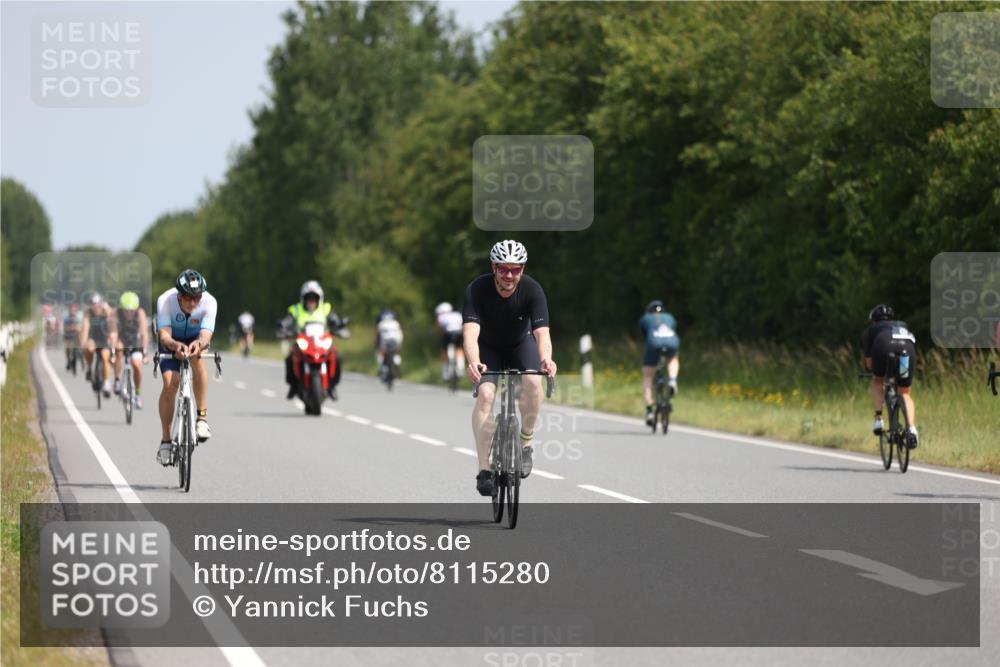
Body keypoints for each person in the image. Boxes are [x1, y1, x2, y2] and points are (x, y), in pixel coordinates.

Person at [463, 240, 556, 495]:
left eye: (515, 269)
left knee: (534, 382)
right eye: (504, 269)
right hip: (488, 348)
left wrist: (546, 359)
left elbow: (542, 334)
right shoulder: (477, 289)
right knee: (485, 395)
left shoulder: (532, 289)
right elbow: (471, 333)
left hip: (519, 344)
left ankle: (526, 442)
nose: (509, 275)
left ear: (522, 269)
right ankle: (484, 470)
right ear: (493, 267)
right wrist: (474, 361)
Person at [156, 269, 217, 465]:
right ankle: (166, 440)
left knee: (199, 360)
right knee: (170, 383)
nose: (192, 303)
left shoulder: (209, 302)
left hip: (195, 338)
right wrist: (175, 346)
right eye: (188, 298)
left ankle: (201, 418)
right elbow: (164, 335)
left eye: (196, 298)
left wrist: (197, 345)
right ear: (179, 295)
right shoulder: (166, 300)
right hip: (171, 339)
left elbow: (206, 336)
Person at [862, 304, 918, 448]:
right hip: (906, 348)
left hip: (883, 346)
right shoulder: (902, 325)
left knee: (878, 380)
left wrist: (878, 372)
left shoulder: (871, 330)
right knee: (905, 392)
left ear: (873, 320)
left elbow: (869, 364)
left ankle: (879, 418)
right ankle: (911, 429)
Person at [279, 280, 343, 400]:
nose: (311, 301)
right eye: (308, 298)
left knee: (336, 356)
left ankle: (332, 386)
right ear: (303, 298)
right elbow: (288, 320)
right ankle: (293, 386)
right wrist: (284, 326)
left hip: (321, 341)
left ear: (320, 299)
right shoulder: (296, 309)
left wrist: (338, 324)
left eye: (314, 298)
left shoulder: (326, 308)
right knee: (290, 358)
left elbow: (334, 319)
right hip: (303, 341)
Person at [640, 300, 681, 426]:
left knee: (648, 377)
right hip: (671, 341)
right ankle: (673, 380)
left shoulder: (646, 318)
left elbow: (644, 335)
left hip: (653, 343)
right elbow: (674, 329)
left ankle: (649, 411)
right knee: (673, 358)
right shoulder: (670, 317)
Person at [113, 292, 150, 408]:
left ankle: (138, 394)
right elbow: (113, 333)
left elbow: (144, 334)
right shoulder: (116, 313)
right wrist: (113, 352)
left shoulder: (140, 314)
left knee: (136, 364)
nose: (129, 313)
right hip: (122, 339)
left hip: (135, 341)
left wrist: (145, 353)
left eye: (131, 311)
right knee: (119, 350)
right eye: (126, 311)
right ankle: (117, 380)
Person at [80, 293, 117, 396]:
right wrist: (84, 341)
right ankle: (89, 367)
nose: (96, 308)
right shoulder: (88, 313)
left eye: (98, 305)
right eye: (94, 305)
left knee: (105, 357)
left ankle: (106, 382)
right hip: (93, 338)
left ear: (102, 304)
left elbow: (113, 325)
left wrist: (112, 338)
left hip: (104, 338)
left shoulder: (107, 311)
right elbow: (85, 328)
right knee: (89, 348)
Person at [435, 302, 465, 380]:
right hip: (459, 333)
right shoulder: (457, 314)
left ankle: (445, 372)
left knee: (444, 350)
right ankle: (461, 369)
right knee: (459, 349)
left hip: (447, 334)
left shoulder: (441, 316)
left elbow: (440, 330)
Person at [374, 307, 404, 377]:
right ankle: (397, 365)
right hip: (397, 337)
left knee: (382, 352)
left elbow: (377, 335)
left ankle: (383, 368)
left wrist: (376, 344)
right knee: (396, 352)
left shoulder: (381, 323)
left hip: (385, 337)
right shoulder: (396, 323)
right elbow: (401, 334)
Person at [63, 302, 83, 370]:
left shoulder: (80, 316)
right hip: (69, 334)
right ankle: (68, 360)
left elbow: (82, 327)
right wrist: (69, 328)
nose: (73, 311)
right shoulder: (66, 316)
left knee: (80, 338)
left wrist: (77, 328)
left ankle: (81, 351)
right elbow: (63, 327)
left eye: (74, 310)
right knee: (68, 347)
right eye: (72, 310)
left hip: (77, 334)